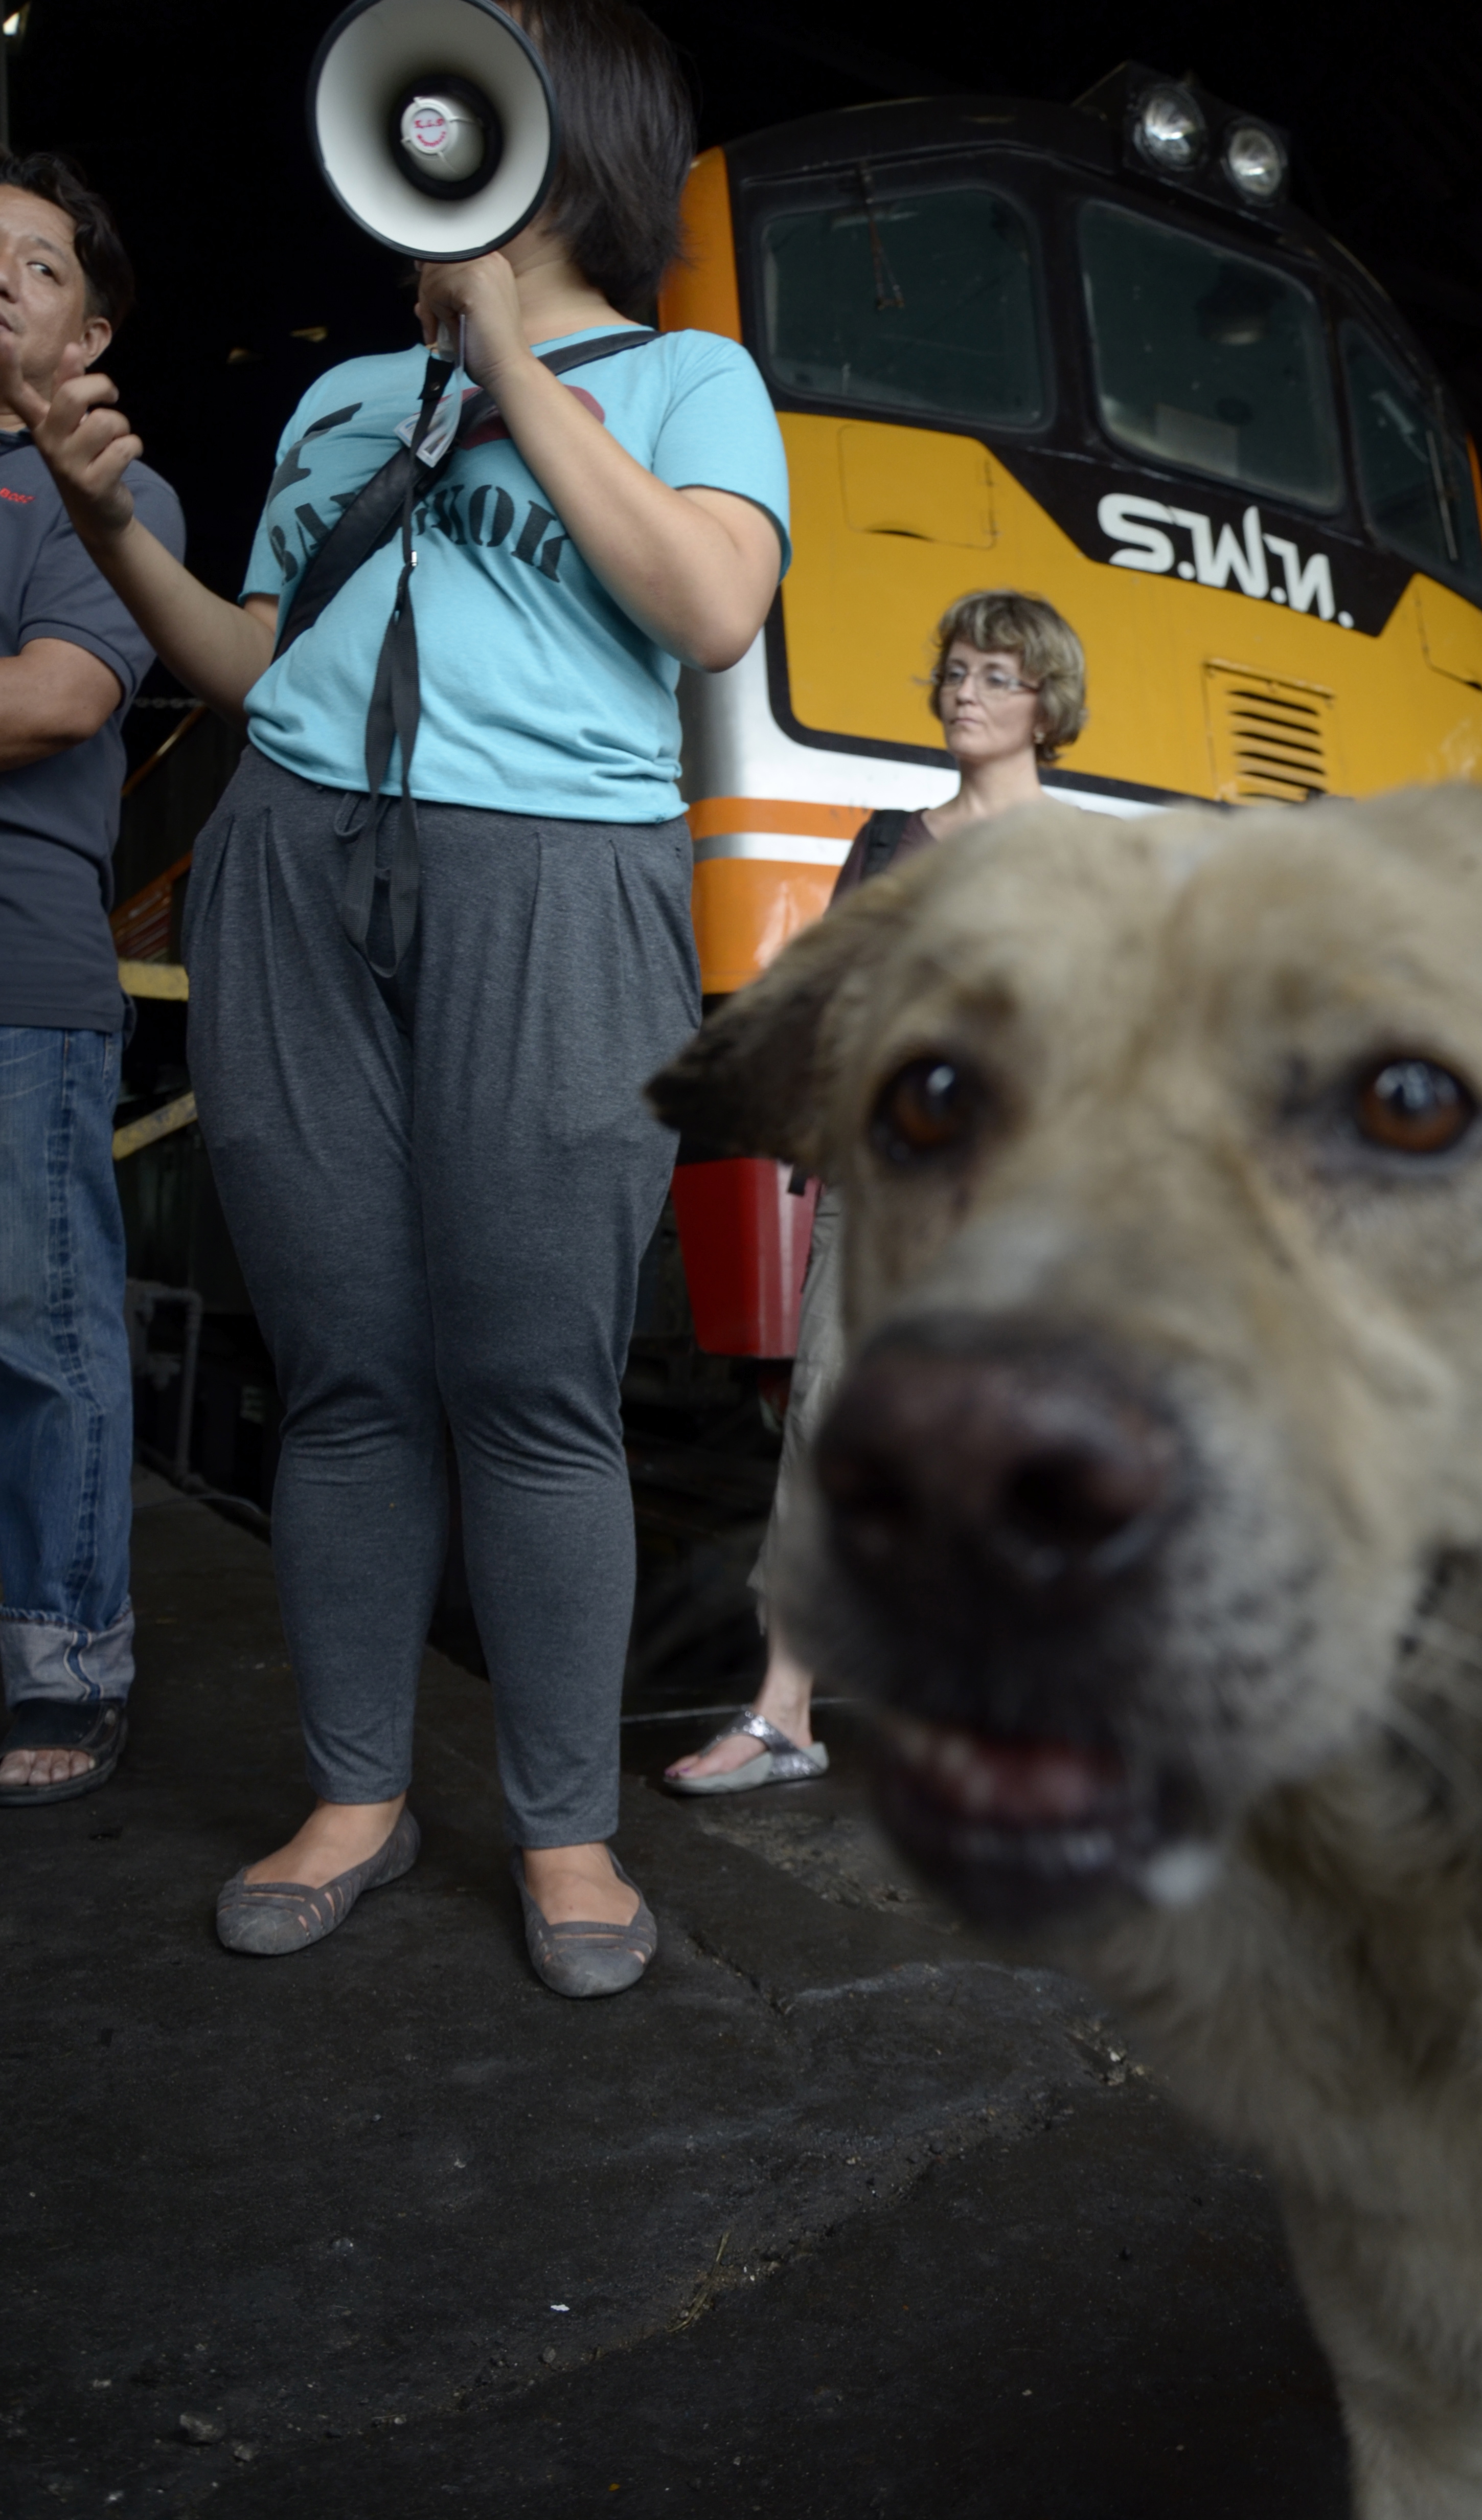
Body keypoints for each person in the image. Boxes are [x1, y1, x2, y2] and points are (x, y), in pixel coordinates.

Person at [17, 0, 787, 1993]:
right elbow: (254, 663)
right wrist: (102, 518)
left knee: (533, 1383)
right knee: (348, 1372)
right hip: (292, 861)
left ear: (575, 133)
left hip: (556, 881)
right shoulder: (349, 397)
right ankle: (357, 1794)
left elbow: (712, 606)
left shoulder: (692, 378)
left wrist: (509, 355)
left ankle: (565, 1827)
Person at [666, 588, 1088, 1794]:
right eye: (954, 670)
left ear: (1047, 703)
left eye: (996, 676)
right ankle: (784, 1715)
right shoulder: (892, 838)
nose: (964, 692)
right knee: (824, 1425)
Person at [0, 155, 185, 1808]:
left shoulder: (106, 497)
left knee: (39, 1324)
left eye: (37, 264)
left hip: (22, 969)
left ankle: (66, 1657)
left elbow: (55, 698)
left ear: (90, 331)